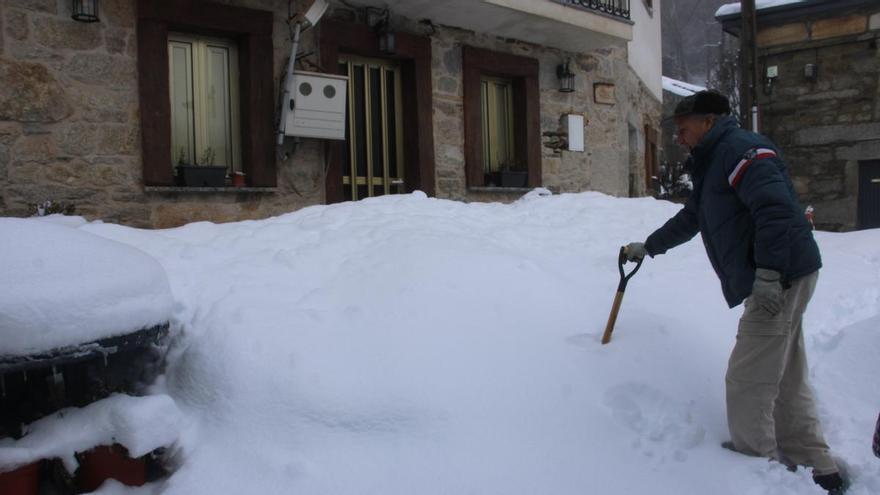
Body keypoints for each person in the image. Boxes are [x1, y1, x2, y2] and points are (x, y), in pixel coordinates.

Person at [624, 90, 845, 494]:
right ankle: (815, 460)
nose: (680, 137)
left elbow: (775, 210)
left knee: (748, 377)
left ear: (708, 121)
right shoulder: (717, 159)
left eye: (684, 128)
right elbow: (695, 215)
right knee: (786, 370)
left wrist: (768, 274)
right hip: (788, 271)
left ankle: (754, 465)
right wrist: (650, 246)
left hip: (779, 276)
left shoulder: (742, 150)